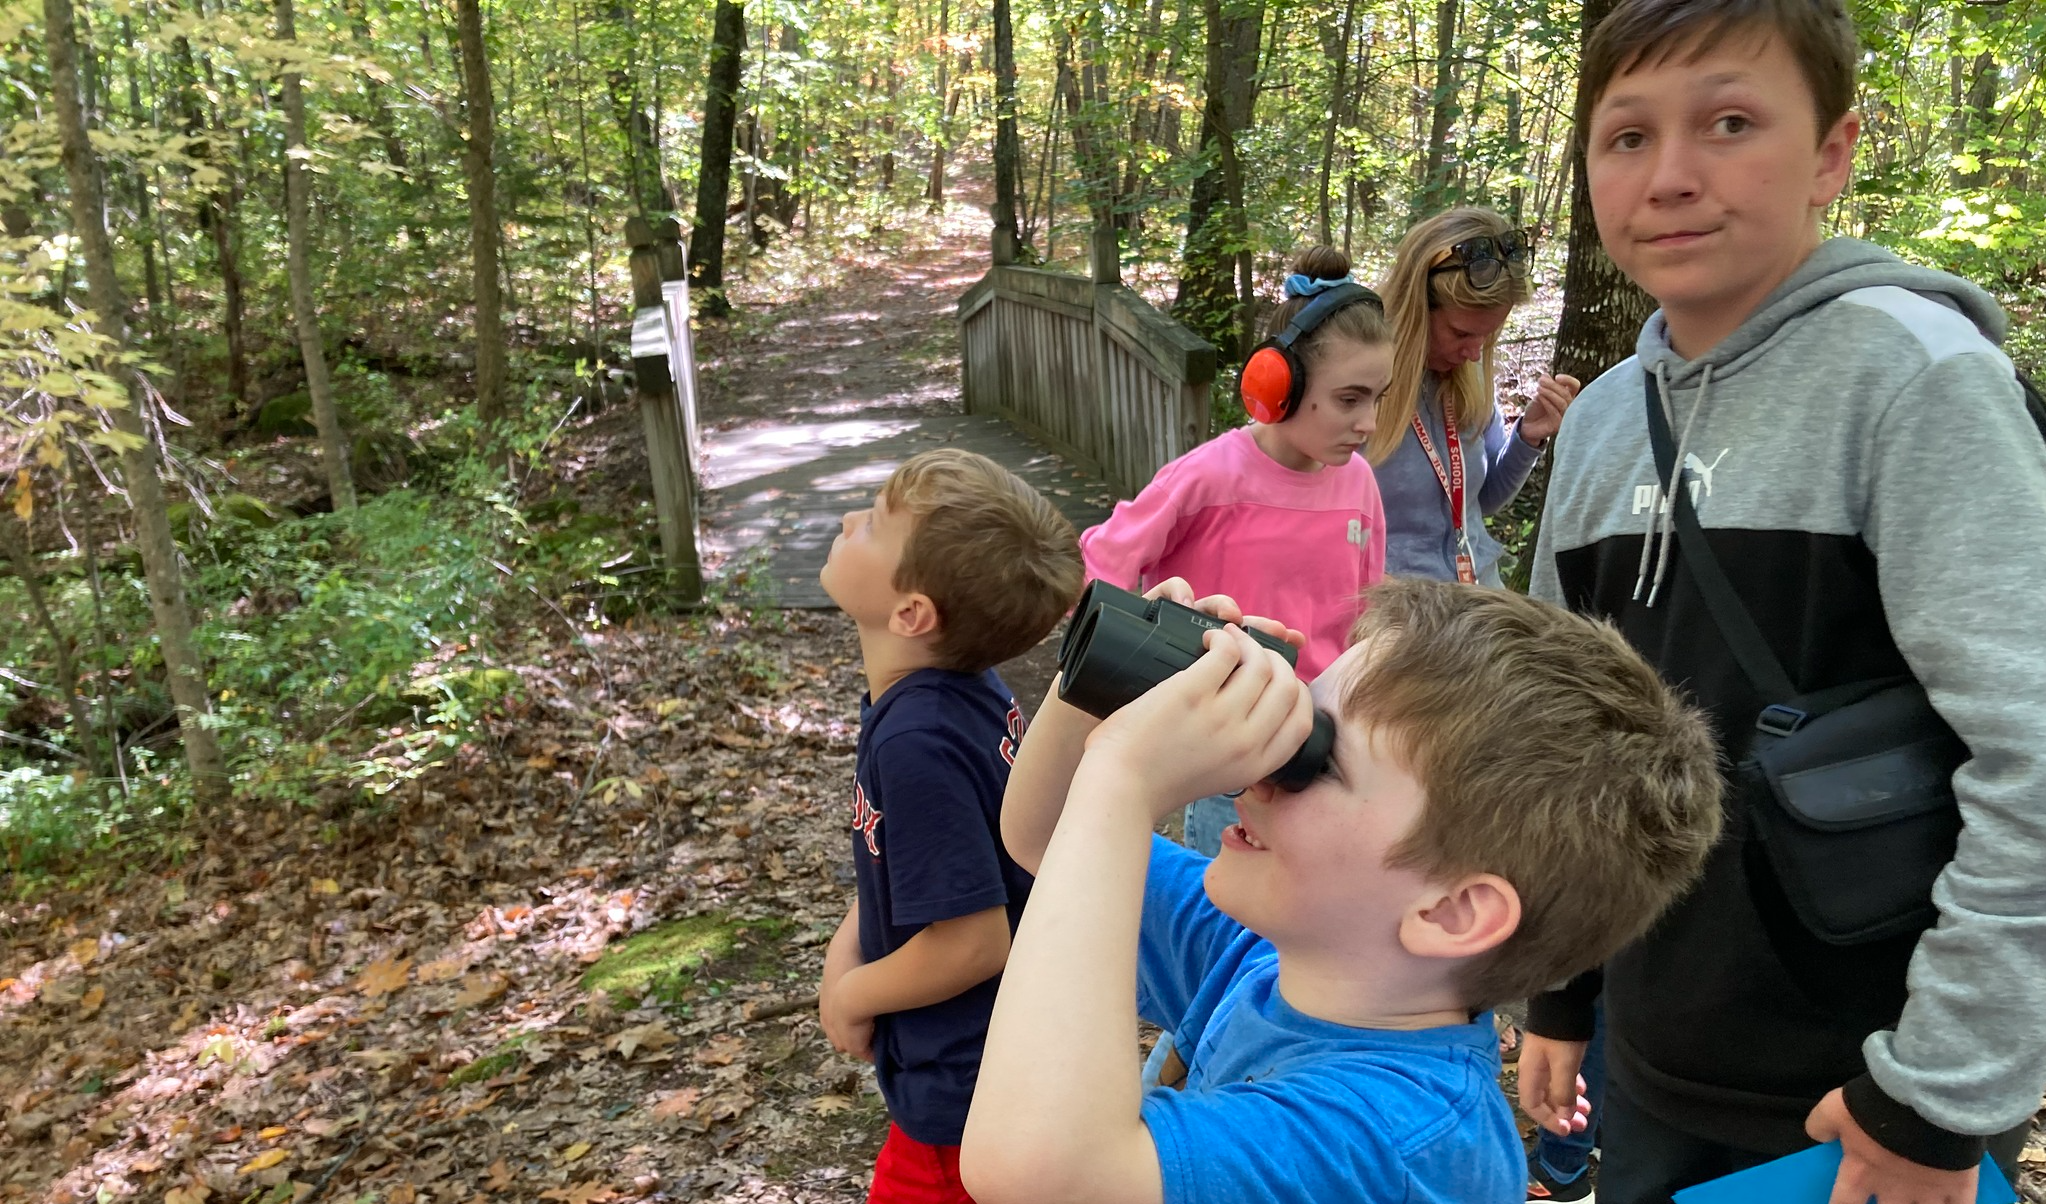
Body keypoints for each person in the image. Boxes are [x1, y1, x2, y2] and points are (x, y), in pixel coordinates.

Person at [1519, 2, 2046, 1202]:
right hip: (1656, 1056)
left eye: (1730, 121)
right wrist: (1559, 986)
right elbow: (1556, 739)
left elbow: (2034, 751)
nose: (1672, 177)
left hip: (1870, 1091)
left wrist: (1938, 1097)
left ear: (1831, 155)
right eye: (1626, 136)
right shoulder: (1603, 419)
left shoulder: (1918, 380)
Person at [959, 576, 1725, 1204]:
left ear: (1452, 912)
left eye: (1312, 758)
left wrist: (1124, 779)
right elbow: (1043, 836)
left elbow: (1039, 1173)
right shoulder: (1270, 953)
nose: (1260, 768)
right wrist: (1100, 687)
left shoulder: (1401, 1139)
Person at [815, 448, 1084, 1204]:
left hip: (965, 1099)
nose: (846, 519)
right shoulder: (959, 694)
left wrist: (855, 995)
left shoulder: (917, 743)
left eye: (870, 523)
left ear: (911, 613)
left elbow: (972, 940)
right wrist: (851, 945)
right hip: (1001, 1071)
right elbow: (930, 865)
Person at [1079, 245, 1391, 857]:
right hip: (1226, 743)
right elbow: (1107, 553)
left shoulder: (1360, 483)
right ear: (1278, 386)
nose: (1369, 423)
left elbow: (1367, 611)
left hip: (1321, 739)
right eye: (1350, 399)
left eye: (1377, 399)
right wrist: (1120, 670)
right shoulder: (1209, 476)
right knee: (1225, 903)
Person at [1372, 206, 1581, 587]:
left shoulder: (1468, 377)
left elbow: (1478, 503)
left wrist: (1527, 437)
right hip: (1393, 612)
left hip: (1477, 602)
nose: (1474, 352)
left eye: (1488, 335)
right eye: (1462, 333)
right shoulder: (1356, 386)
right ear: (1415, 310)